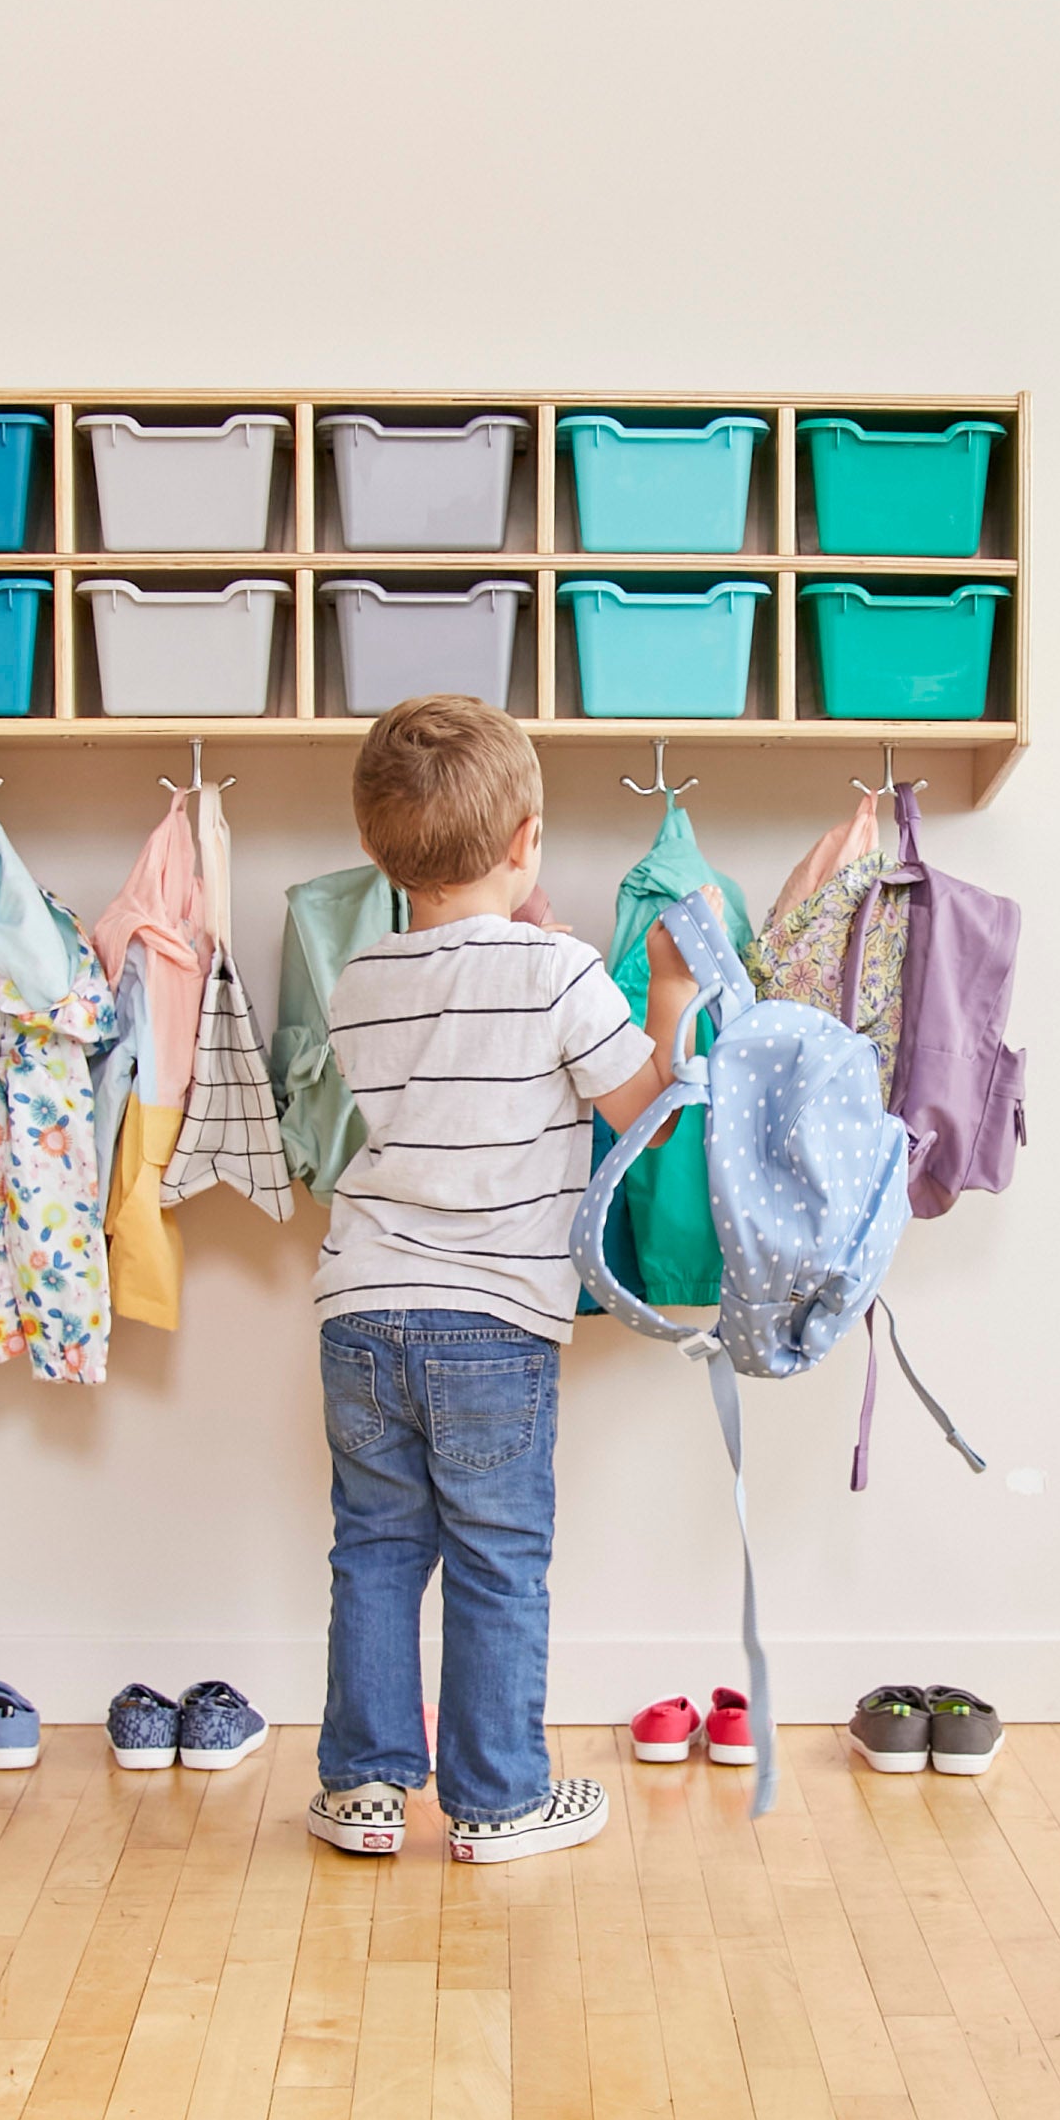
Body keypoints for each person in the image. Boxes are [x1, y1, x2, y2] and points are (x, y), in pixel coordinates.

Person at [309, 696, 697, 1863]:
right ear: (527, 839)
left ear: (378, 851)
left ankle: (366, 1791)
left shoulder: (359, 978)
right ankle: (495, 1800)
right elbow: (654, 1117)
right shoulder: (564, 970)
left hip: (360, 1307)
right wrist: (669, 986)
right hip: (491, 1324)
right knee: (496, 1557)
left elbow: (451, 1043)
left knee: (376, 1547)